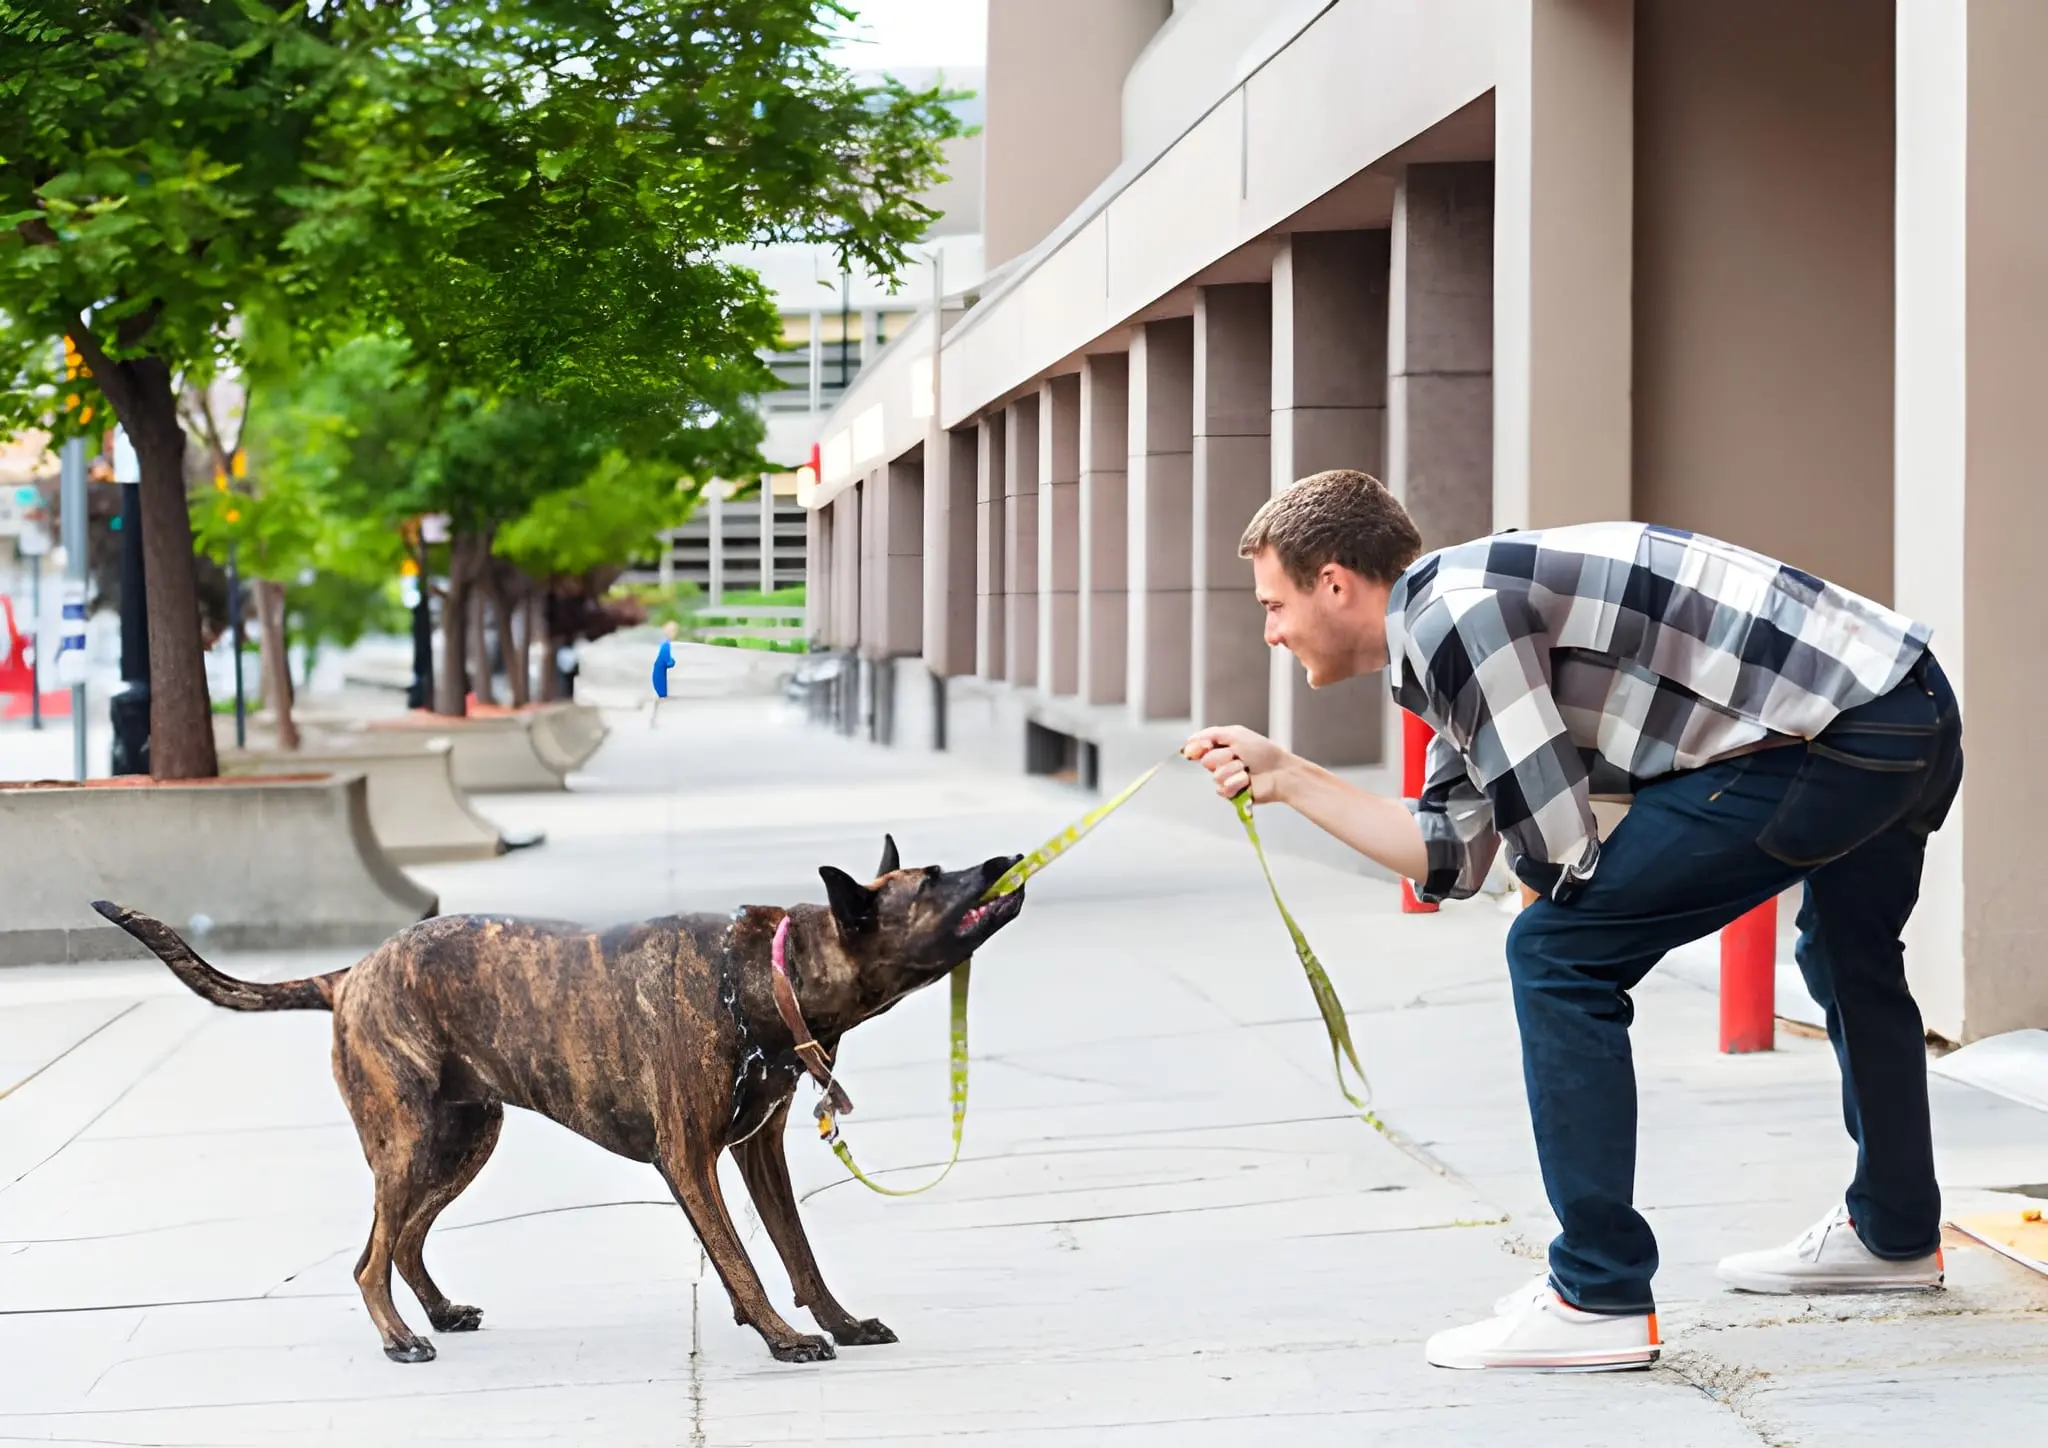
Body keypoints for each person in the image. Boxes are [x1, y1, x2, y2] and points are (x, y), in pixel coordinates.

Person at [1183, 469, 1961, 1374]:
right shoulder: (1460, 616)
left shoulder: (1455, 620)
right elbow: (1449, 857)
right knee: (1850, 955)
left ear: (1335, 584)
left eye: (1273, 604)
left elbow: (1557, 856)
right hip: (1906, 707)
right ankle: (1895, 1231)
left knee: (1557, 954)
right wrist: (1288, 775)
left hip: (1840, 735)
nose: (1271, 630)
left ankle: (1596, 1293)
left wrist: (1547, 874)